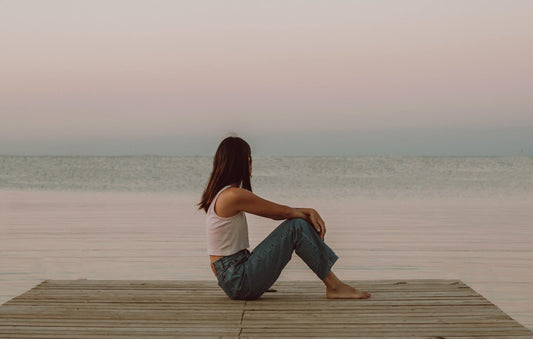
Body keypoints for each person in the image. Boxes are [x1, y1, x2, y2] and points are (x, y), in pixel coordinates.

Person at [198, 136, 371, 300]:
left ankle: (333, 284)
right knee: (296, 227)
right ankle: (334, 286)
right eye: (249, 159)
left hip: (236, 274)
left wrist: (305, 212)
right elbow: (280, 213)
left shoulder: (222, 194)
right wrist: (308, 211)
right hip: (239, 280)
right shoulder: (232, 195)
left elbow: (282, 212)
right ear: (242, 163)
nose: (251, 164)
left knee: (296, 224)